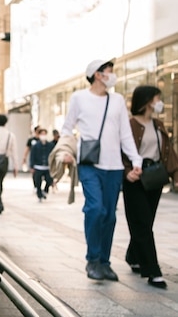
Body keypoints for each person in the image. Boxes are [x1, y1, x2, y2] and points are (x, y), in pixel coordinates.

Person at [61, 59, 142, 282]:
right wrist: (66, 153)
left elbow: (125, 133)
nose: (113, 75)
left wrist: (136, 160)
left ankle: (104, 263)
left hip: (114, 167)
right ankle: (92, 259)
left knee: (109, 216)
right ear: (97, 75)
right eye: (110, 71)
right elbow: (66, 128)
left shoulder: (117, 100)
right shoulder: (79, 97)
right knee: (95, 209)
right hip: (89, 164)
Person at [121, 85, 178, 289]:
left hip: (154, 179)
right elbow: (120, 151)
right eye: (157, 98)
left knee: (144, 223)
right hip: (134, 179)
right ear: (147, 100)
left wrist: (175, 175)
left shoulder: (158, 124)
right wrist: (126, 171)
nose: (159, 102)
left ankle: (132, 255)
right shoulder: (129, 125)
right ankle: (153, 271)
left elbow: (168, 152)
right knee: (142, 223)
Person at [0, 114, 18, 214]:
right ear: (6, 122)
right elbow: (14, 152)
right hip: (4, 161)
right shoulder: (10, 135)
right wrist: (16, 166)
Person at [29, 128, 55, 201]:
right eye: (42, 134)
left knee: (49, 180)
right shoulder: (35, 145)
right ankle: (39, 195)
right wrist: (32, 166)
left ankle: (45, 191)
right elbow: (32, 156)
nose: (43, 136)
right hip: (38, 166)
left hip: (47, 167)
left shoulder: (50, 145)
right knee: (38, 182)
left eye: (45, 134)